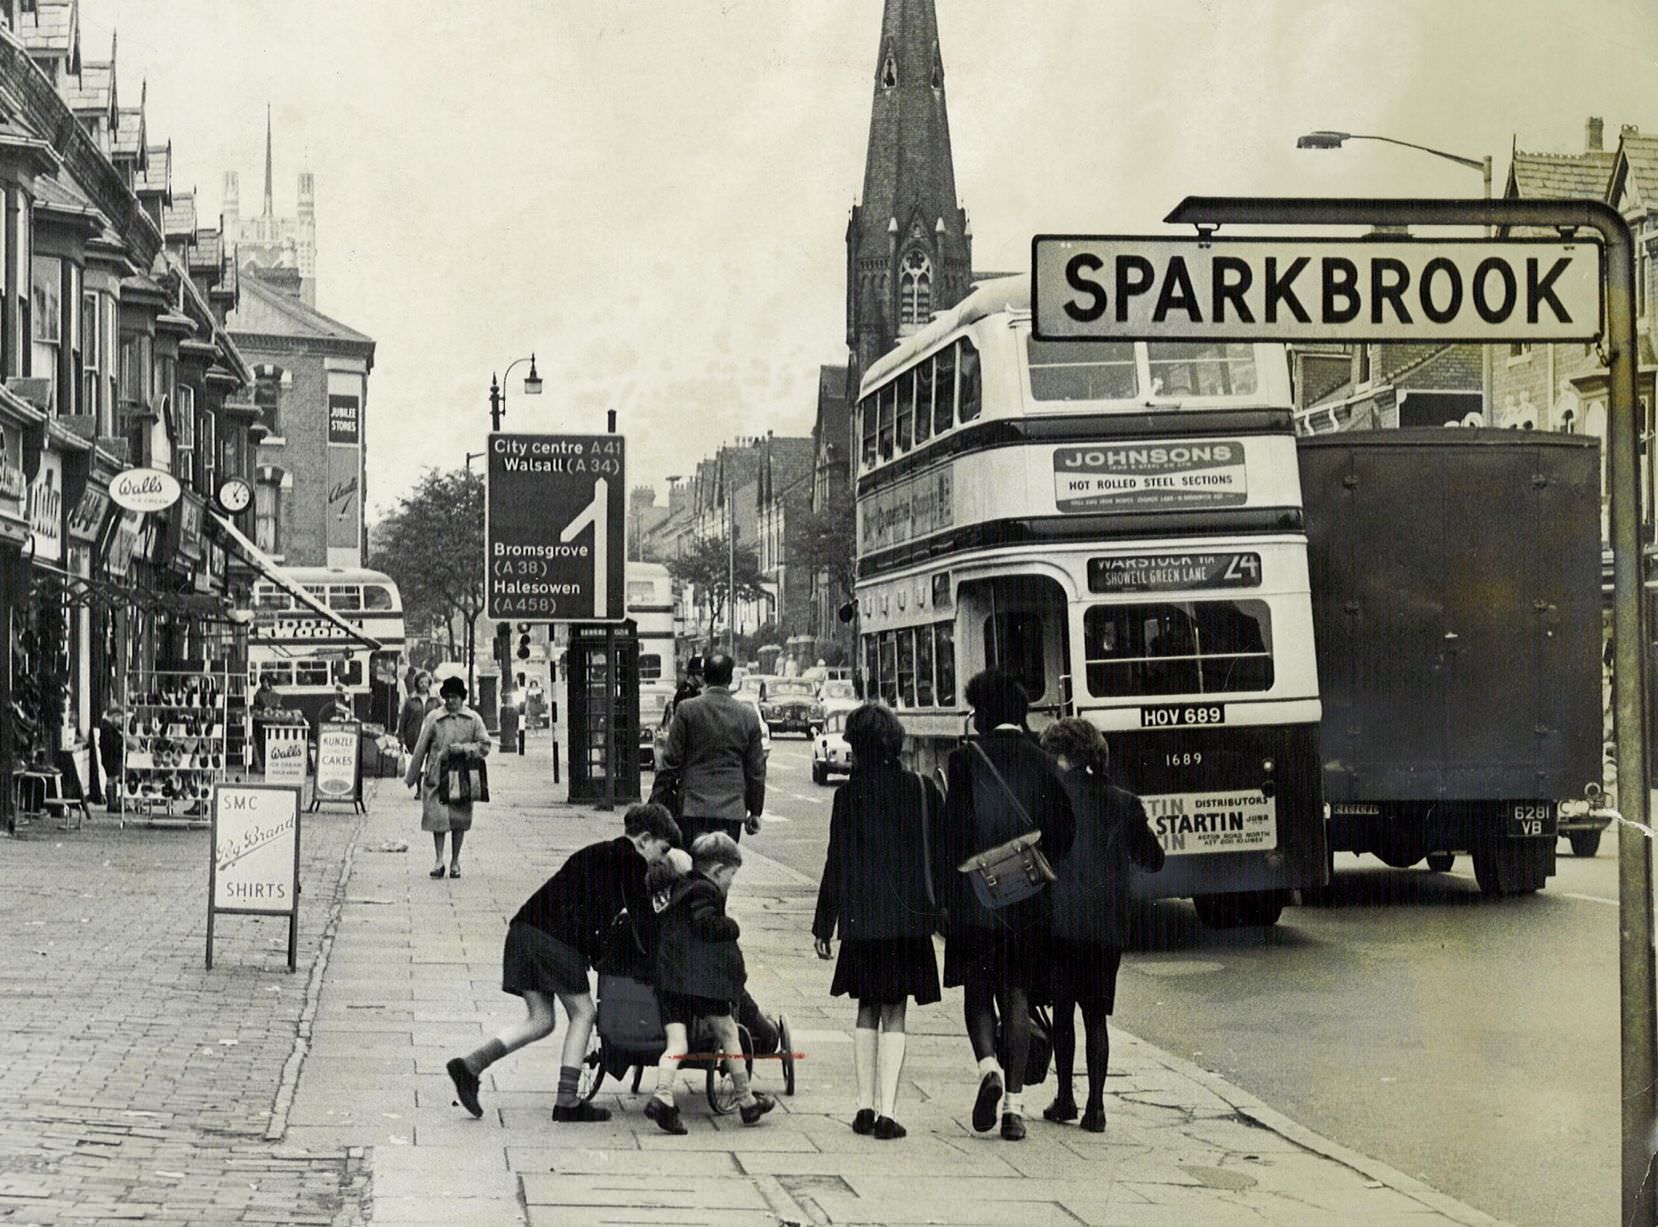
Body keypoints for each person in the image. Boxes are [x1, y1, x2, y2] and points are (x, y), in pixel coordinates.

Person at [445, 803, 685, 1123]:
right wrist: (665, 962)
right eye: (663, 849)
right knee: (584, 1013)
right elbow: (645, 923)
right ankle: (567, 1101)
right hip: (553, 940)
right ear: (643, 840)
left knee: (541, 1020)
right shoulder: (630, 860)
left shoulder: (598, 853)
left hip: (523, 932)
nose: (661, 858)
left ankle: (471, 1065)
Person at [937, 669, 1075, 1141]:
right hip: (1029, 899)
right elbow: (1064, 830)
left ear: (985, 714)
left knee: (977, 990)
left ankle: (988, 1067)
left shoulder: (963, 761)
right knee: (1018, 993)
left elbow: (951, 834)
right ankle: (1015, 1108)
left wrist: (948, 895)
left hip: (977, 895)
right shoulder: (1042, 761)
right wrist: (1035, 860)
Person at [812, 703, 940, 1140]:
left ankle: (864, 1107)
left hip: (862, 919)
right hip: (907, 918)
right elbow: (937, 854)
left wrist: (823, 924)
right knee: (895, 1011)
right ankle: (888, 1113)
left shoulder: (847, 796)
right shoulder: (919, 789)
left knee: (866, 1007)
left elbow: (836, 861)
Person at [1037, 718, 1165, 1134]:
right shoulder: (1124, 802)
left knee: (1062, 1013)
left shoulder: (1051, 798)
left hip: (1060, 922)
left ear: (1061, 754)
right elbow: (1154, 859)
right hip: (1106, 926)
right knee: (1096, 1016)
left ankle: (1065, 1098)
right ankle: (1096, 1107)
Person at [644, 831, 775, 1134]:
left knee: (676, 1042)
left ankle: (663, 1096)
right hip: (701, 979)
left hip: (670, 979)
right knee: (729, 1033)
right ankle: (745, 1100)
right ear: (718, 870)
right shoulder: (705, 890)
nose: (730, 881)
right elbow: (705, 925)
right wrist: (730, 927)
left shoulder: (680, 886)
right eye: (731, 875)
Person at [650, 652, 765, 845]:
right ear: (730, 679)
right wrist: (755, 811)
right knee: (723, 863)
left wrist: (657, 799)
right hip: (732, 808)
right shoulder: (748, 716)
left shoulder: (687, 710)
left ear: (705, 676)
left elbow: (671, 762)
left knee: (695, 863)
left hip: (693, 806)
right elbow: (756, 770)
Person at [404, 676, 491, 879]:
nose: (451, 701)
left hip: (462, 777)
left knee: (459, 820)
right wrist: (412, 776)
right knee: (438, 819)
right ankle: (439, 859)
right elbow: (421, 748)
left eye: (455, 697)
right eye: (448, 697)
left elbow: (485, 745)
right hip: (437, 775)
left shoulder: (473, 719)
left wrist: (463, 749)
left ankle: (455, 861)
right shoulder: (434, 718)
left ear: (462, 698)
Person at [398, 670, 440, 754]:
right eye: (421, 682)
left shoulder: (435, 699)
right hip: (413, 738)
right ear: (417, 683)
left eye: (426, 682)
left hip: (430, 736)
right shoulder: (410, 699)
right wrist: (401, 739)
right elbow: (403, 720)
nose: (424, 684)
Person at [97, 701, 125, 812]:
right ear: (114, 717)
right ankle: (111, 803)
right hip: (111, 757)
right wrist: (120, 742)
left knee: (114, 778)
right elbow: (111, 743)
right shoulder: (107, 728)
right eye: (119, 718)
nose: (120, 721)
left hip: (110, 757)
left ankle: (113, 802)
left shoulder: (107, 727)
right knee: (111, 779)